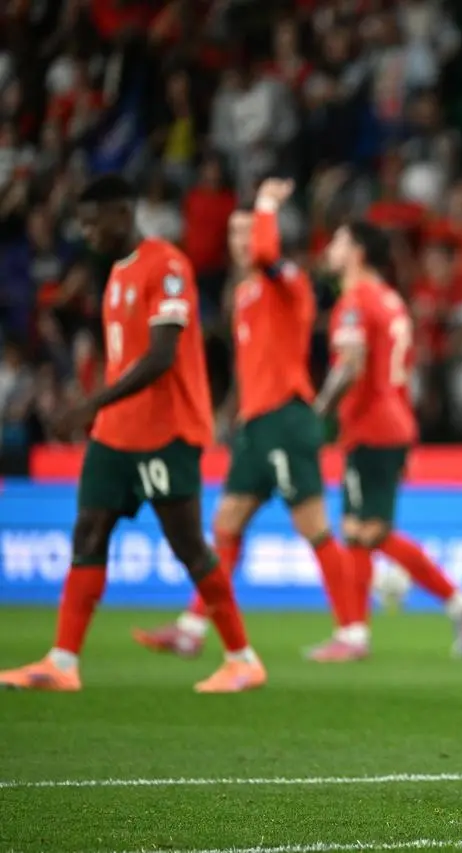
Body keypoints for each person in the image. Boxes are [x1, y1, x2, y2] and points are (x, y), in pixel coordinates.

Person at [0, 175, 265, 693]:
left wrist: (87, 404)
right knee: (88, 531)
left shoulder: (165, 266)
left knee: (189, 547)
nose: (86, 231)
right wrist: (98, 413)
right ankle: (62, 662)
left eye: (92, 220)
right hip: (116, 432)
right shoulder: (117, 273)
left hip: (165, 432)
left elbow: (162, 355)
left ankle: (242, 658)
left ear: (122, 213)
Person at [132, 179, 360, 662]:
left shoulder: (288, 282)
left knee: (314, 526)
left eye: (246, 232)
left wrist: (267, 206)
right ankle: (193, 628)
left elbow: (264, 250)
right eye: (234, 234)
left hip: (286, 418)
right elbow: (248, 366)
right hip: (255, 425)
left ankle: (352, 633)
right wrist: (230, 412)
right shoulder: (245, 295)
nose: (240, 242)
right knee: (227, 522)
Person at [309, 220, 462, 661]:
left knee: (359, 530)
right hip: (391, 422)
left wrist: (318, 415)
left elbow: (349, 364)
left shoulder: (355, 300)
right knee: (366, 530)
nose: (330, 248)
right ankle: (454, 603)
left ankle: (356, 635)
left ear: (358, 252)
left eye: (338, 240)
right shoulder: (390, 300)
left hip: (369, 426)